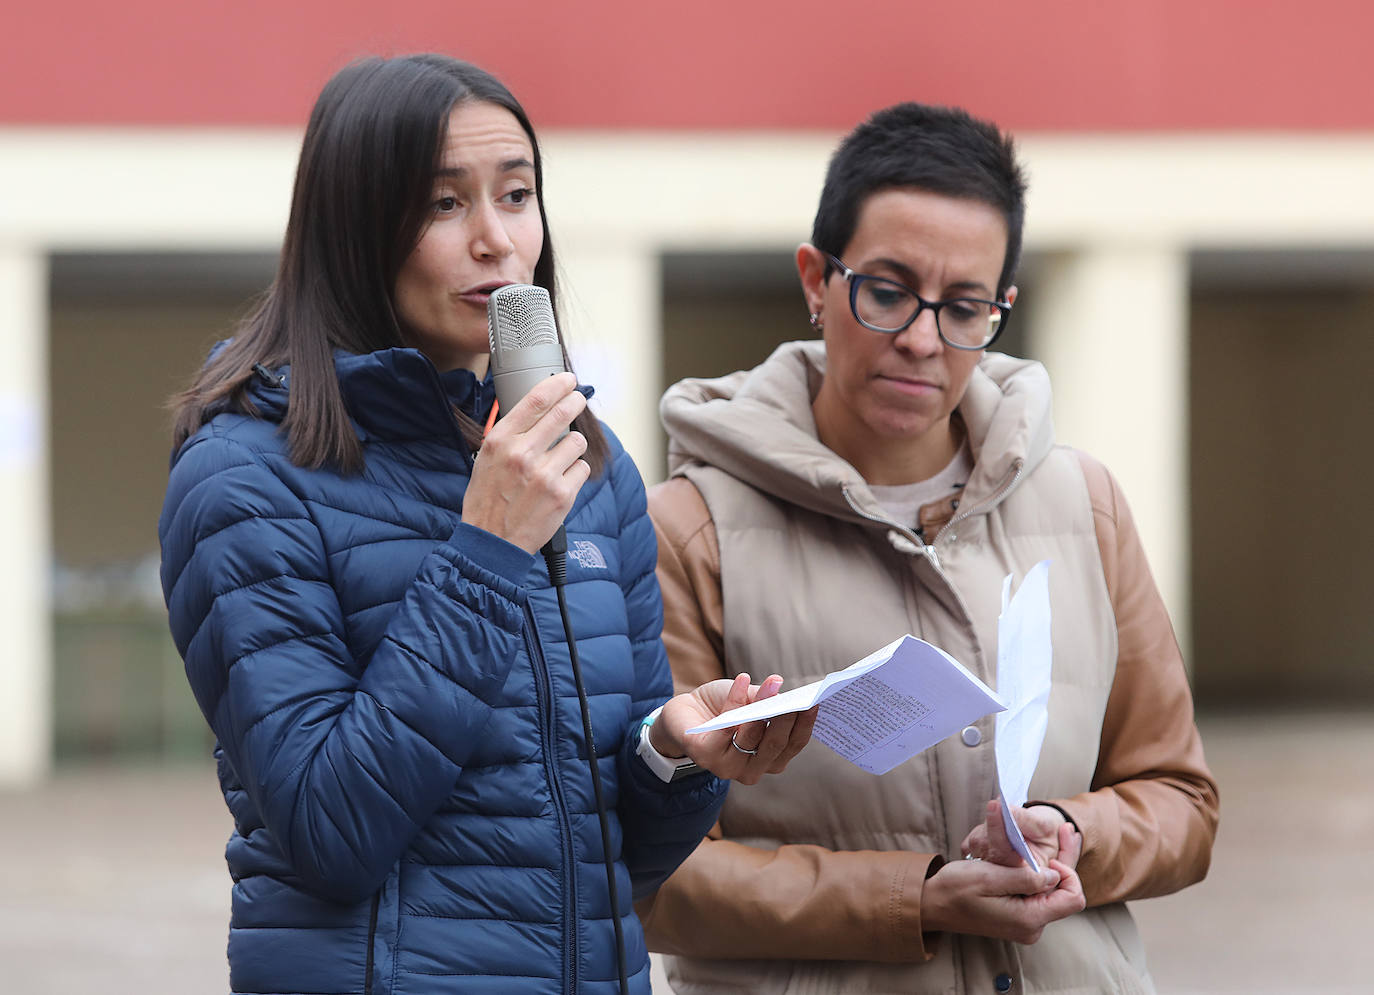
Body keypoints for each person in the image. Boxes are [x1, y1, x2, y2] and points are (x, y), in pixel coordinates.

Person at [157, 54, 812, 995]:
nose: (498, 240)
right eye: (443, 204)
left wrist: (673, 751)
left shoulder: (589, 464)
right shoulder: (246, 474)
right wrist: (487, 549)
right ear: (353, 227)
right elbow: (331, 829)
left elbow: (615, 868)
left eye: (518, 194)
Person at [639, 102, 1219, 994]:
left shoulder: (1084, 502)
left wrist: (1073, 831)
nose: (921, 339)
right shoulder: (689, 527)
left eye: (964, 307)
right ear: (815, 279)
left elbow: (1181, 803)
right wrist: (918, 898)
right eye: (887, 291)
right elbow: (663, 874)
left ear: (1002, 309)